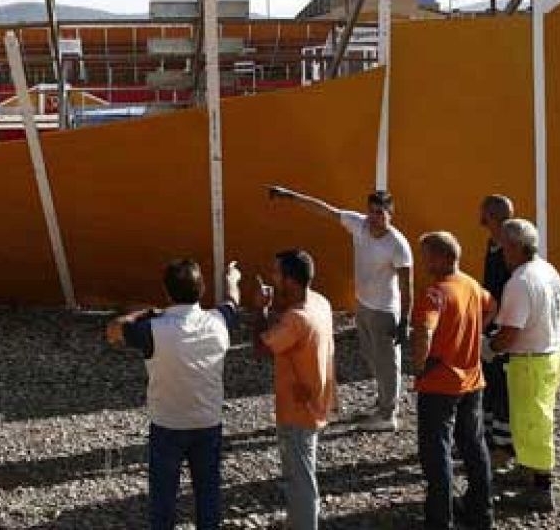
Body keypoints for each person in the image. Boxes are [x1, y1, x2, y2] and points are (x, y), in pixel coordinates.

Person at [107, 259, 242, 530]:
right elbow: (232, 301)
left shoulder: (152, 330)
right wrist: (232, 278)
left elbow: (112, 330)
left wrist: (146, 312)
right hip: (208, 422)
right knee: (208, 494)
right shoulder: (219, 322)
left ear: (167, 292)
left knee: (163, 499)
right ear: (201, 289)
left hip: (167, 424)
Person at [268, 186, 413, 430]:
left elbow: (407, 285)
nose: (374, 218)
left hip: (385, 310)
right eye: (371, 212)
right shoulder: (359, 225)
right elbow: (324, 209)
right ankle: (383, 401)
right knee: (372, 358)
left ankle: (388, 415)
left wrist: (405, 320)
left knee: (388, 362)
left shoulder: (398, 245)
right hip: (364, 304)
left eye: (380, 213)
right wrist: (292, 196)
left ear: (391, 213)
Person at [410, 231, 494, 530]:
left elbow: (423, 329)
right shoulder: (471, 285)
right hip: (472, 382)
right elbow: (491, 306)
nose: (423, 262)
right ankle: (481, 512)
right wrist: (472, 335)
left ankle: (439, 519)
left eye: (426, 255)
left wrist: (420, 364)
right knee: (474, 446)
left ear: (440, 257)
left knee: (437, 453)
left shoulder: (435, 292)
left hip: (439, 385)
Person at [485, 218, 560, 513]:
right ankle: (530, 468)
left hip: (530, 360)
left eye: (504, 248)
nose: (502, 254)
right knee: (531, 419)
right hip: (549, 355)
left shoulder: (520, 281)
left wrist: (488, 349)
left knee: (534, 423)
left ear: (515, 247)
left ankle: (542, 489)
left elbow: (510, 333)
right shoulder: (547, 270)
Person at [253, 249, 337, 530]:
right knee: (299, 473)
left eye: (277, 273)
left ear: (290, 280)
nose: (272, 277)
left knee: (300, 479)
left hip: (297, 410)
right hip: (315, 399)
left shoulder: (296, 320)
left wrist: (260, 309)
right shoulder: (320, 303)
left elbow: (261, 347)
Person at [477, 195, 515, 468]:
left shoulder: (509, 249)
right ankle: (488, 436)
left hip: (504, 330)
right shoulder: (493, 244)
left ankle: (504, 447)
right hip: (490, 325)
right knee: (489, 385)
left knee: (503, 388)